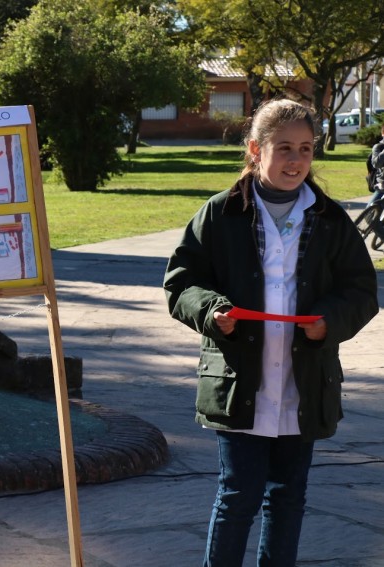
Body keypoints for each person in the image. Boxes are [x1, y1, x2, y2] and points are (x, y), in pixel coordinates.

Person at [164, 98, 378, 567]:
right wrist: (212, 311)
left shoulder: (330, 220)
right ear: (255, 150)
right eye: (284, 148)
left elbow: (362, 291)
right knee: (237, 496)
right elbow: (181, 283)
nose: (296, 160)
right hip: (239, 383)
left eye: (305, 148)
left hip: (304, 385)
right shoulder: (220, 215)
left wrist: (330, 321)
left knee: (288, 498)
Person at [368, 123, 384, 204]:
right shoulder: (378, 147)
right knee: (369, 213)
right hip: (382, 186)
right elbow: (377, 164)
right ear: (382, 134)